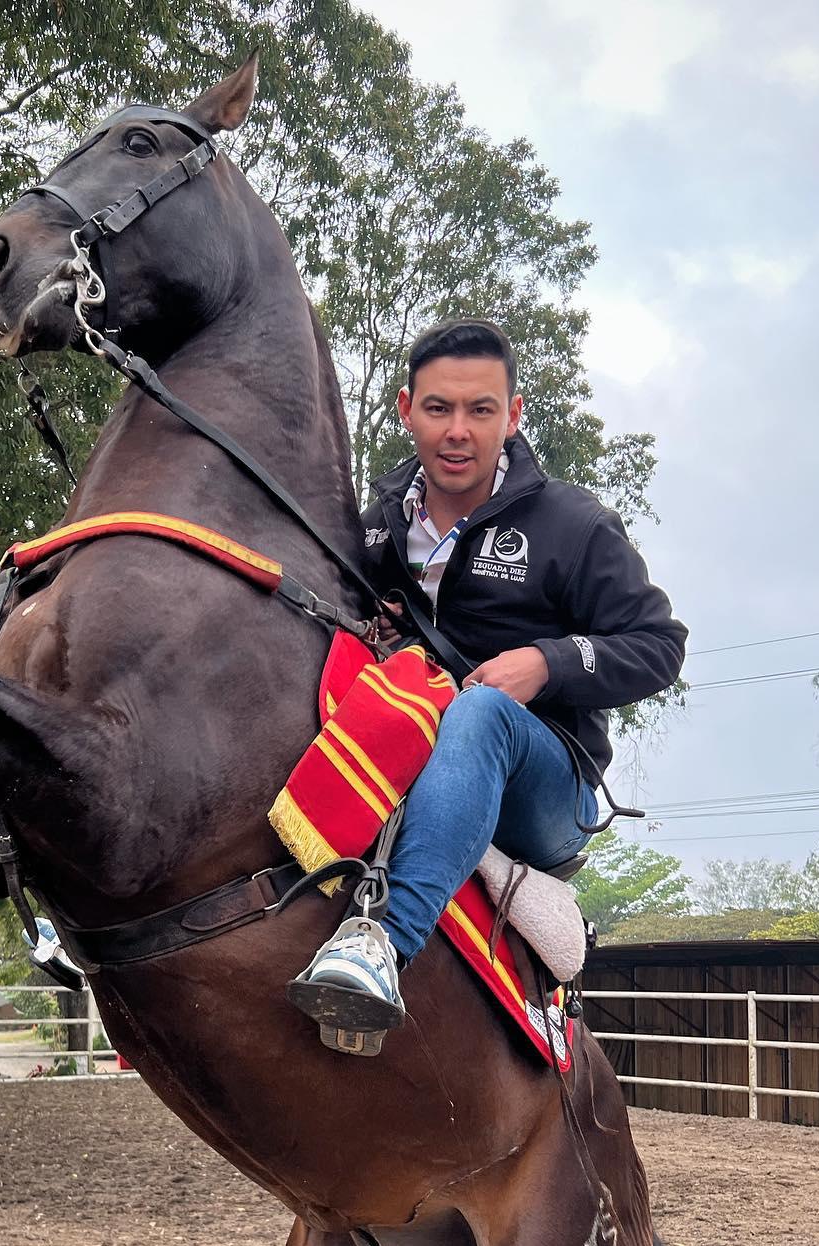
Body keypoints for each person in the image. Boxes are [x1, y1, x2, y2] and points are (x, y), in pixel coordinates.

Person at [288, 318, 687, 1052]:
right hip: (412, 753)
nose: (458, 431)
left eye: (481, 410)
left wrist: (548, 663)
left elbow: (662, 646)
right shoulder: (374, 528)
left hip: (546, 786)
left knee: (483, 713)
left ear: (515, 414)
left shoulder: (575, 525)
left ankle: (382, 947)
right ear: (407, 409)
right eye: (439, 408)